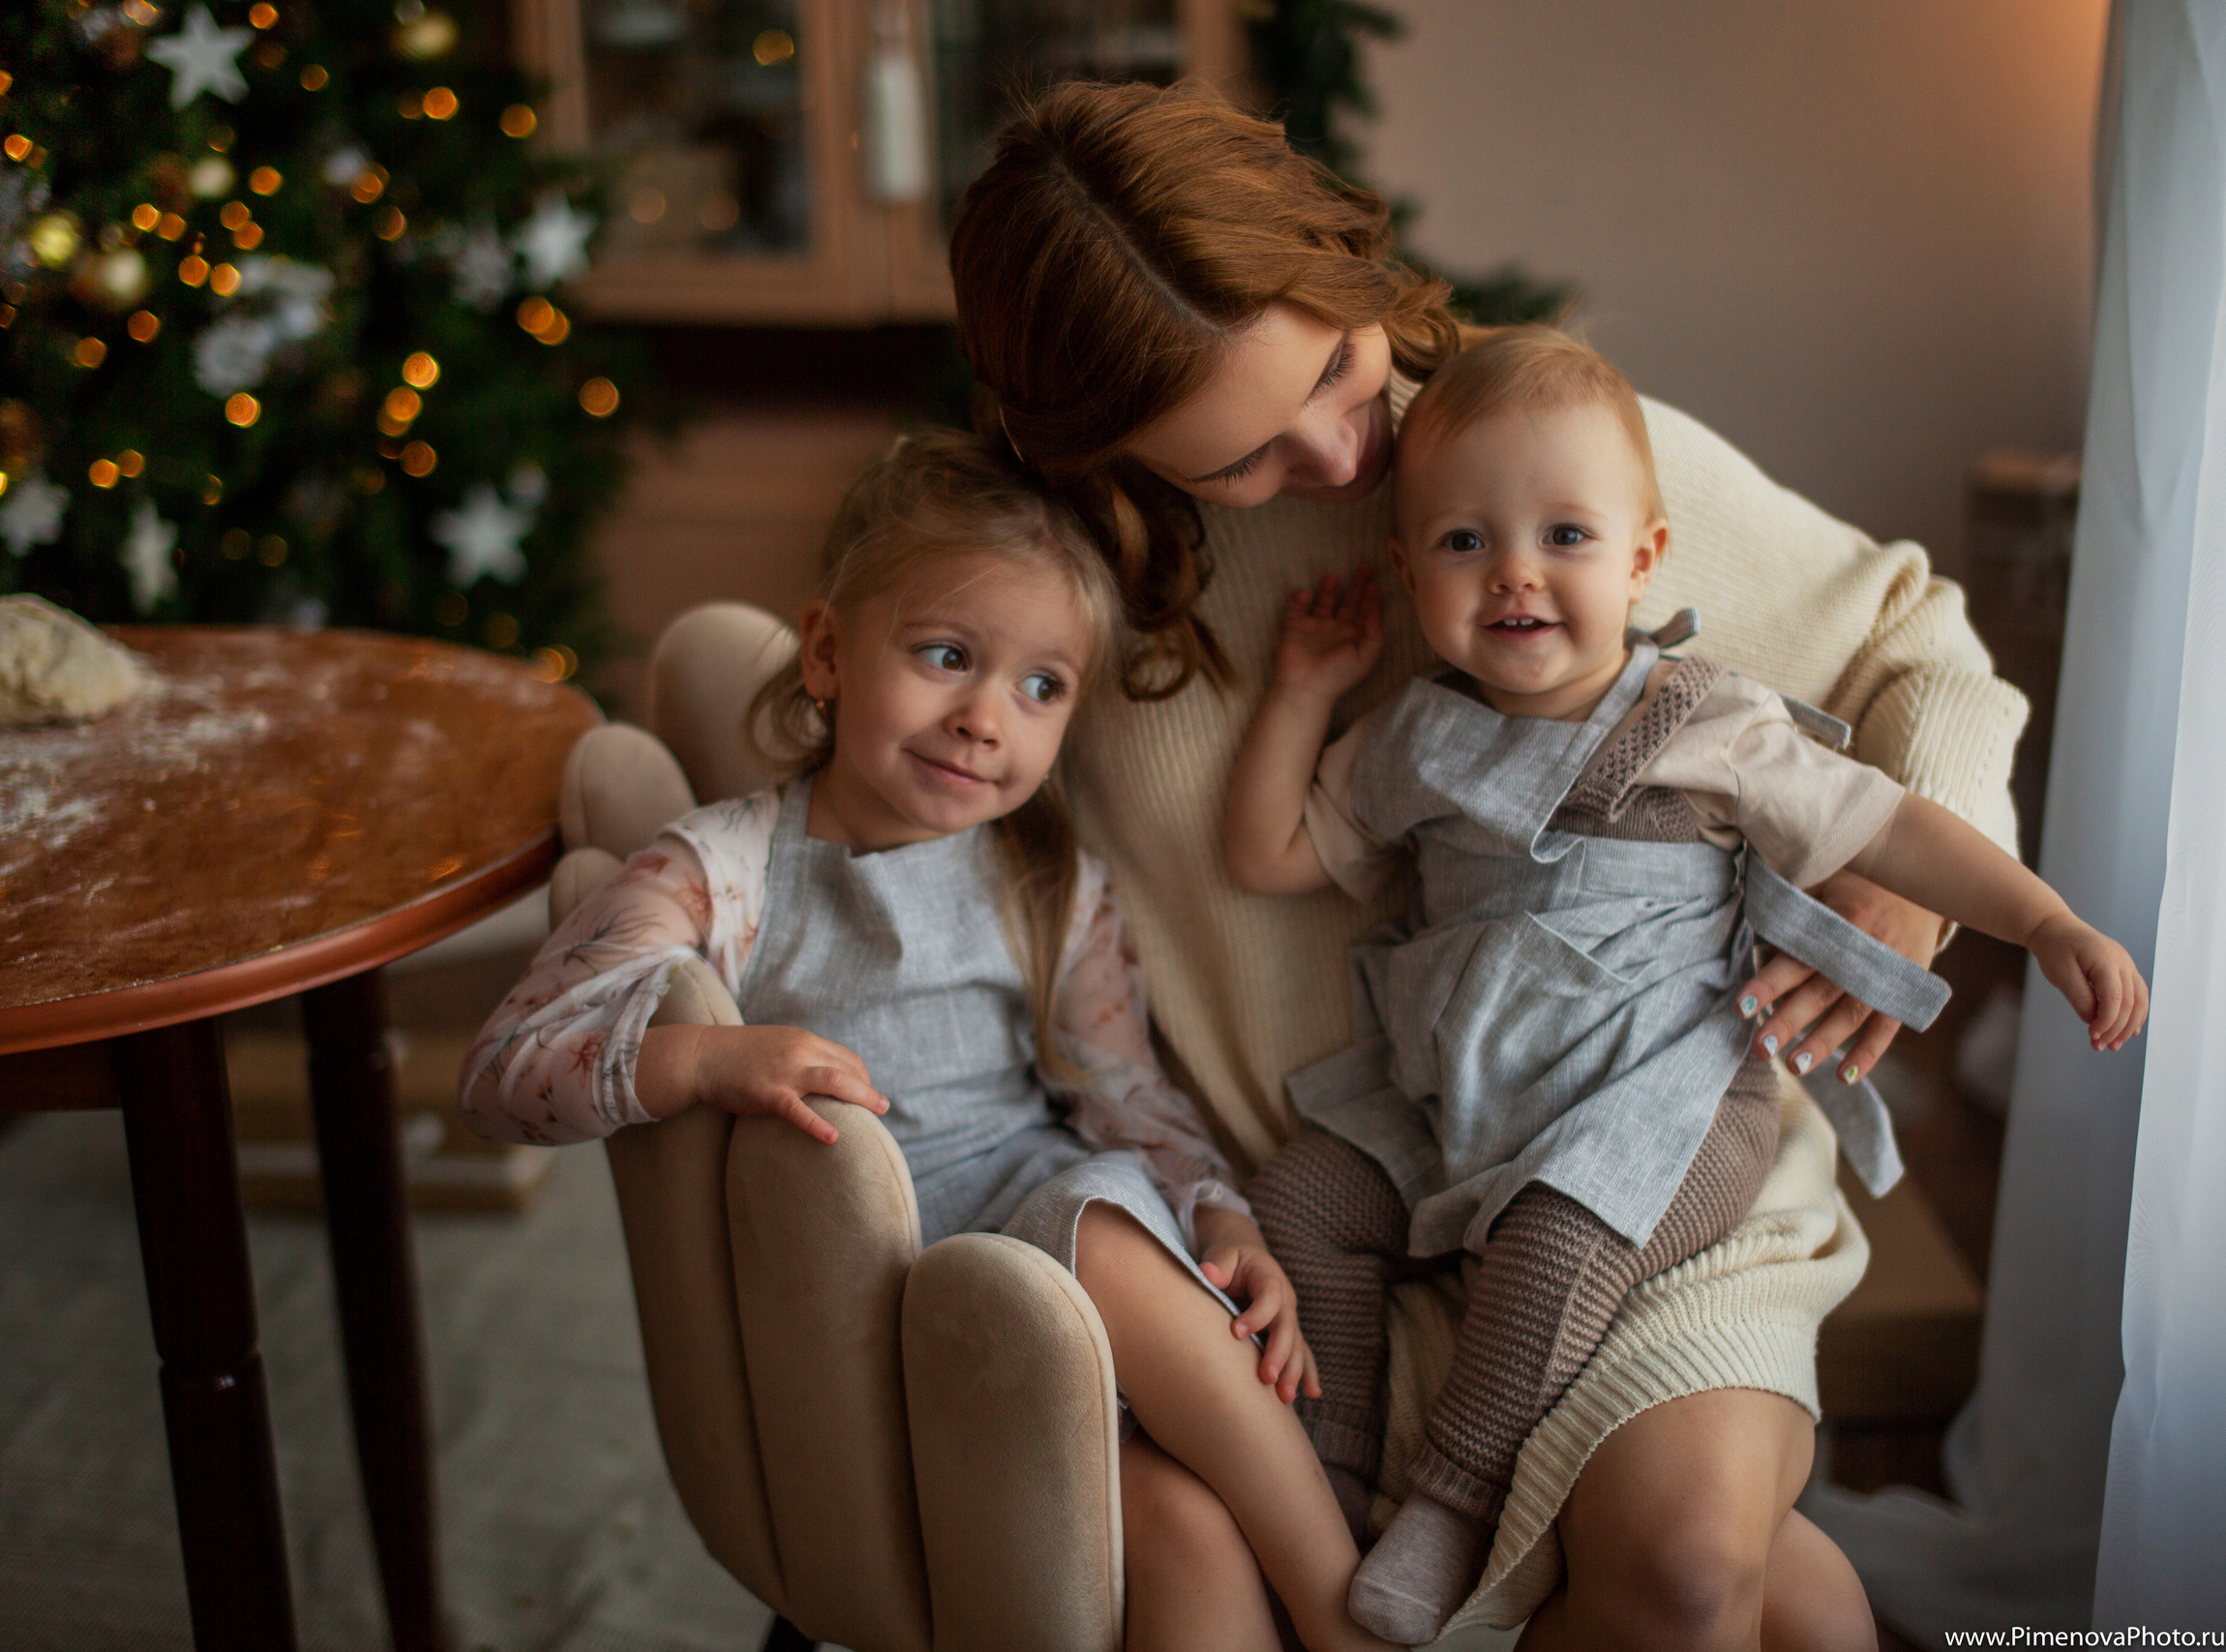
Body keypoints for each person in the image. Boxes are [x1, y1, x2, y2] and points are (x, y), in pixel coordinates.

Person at [951, 77, 2034, 1650]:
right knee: (1784, 1606)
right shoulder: (1059, 598)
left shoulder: (1535, 452)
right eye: (1243, 459)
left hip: (1640, 1177)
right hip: (1329, 1239)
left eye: (1335, 358)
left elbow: (1914, 639)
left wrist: (1904, 880)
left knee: (1676, 1569)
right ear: (1093, 453)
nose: (1342, 450)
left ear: (1340, 249)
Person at [1219, 328, 2147, 1642]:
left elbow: (1885, 824)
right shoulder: (1414, 734)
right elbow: (1265, 854)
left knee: (1556, 1232)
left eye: (1566, 537)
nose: (1517, 575)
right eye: (1465, 543)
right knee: (1304, 1197)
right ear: (1405, 567)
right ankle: (1334, 1467)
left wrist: (2042, 917)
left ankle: (1449, 1497)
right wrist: (1300, 694)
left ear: (1646, 556)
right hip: (1461, 1095)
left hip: (1661, 1102)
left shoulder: (1701, 719)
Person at [460, 432, 1398, 1652]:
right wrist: (700, 1058)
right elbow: (501, 1072)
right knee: (1164, 1485)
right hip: (883, 1307)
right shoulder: (727, 866)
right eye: (946, 656)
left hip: (1059, 1245)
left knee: (1177, 1481)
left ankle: (1337, 1611)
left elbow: (1128, 1096)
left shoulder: (1051, 879)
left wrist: (1219, 1213)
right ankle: (1353, 1622)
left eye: (1040, 686)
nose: (982, 720)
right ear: (829, 652)